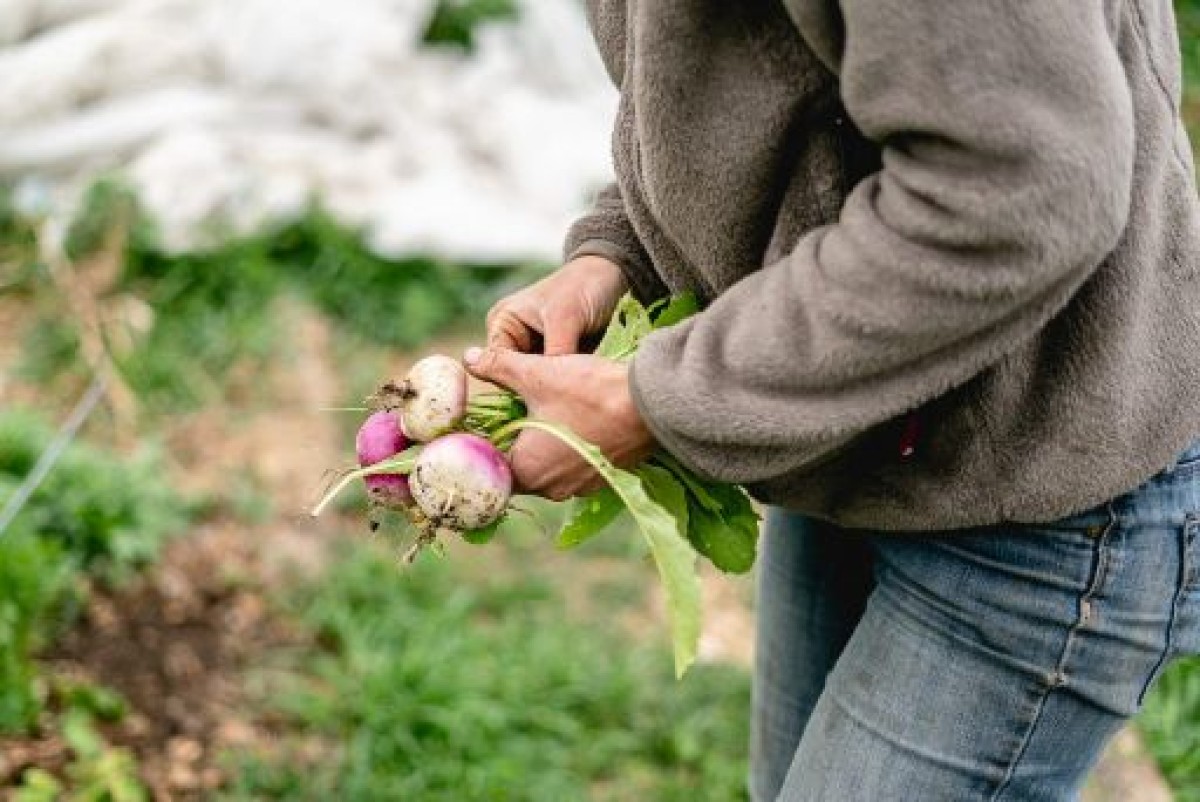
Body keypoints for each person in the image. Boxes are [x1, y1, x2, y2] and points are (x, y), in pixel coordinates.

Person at [462, 1, 1200, 799]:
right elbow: (748, 88)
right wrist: (620, 253)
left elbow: (1015, 189)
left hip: (1040, 484)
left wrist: (661, 400)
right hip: (856, 439)